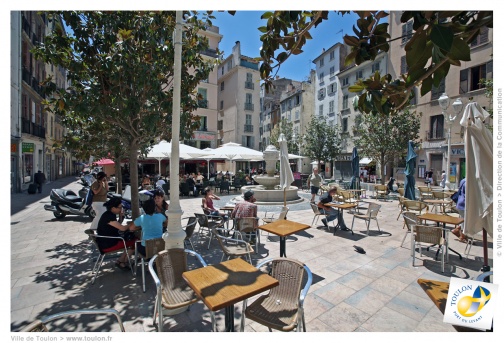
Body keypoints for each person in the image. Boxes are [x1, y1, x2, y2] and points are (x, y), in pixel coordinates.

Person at [96, 197, 140, 270]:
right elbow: (122, 228)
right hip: (108, 244)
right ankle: (123, 261)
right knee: (136, 241)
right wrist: (133, 224)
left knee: (132, 240)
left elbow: (117, 225)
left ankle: (121, 261)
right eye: (120, 207)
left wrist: (120, 217)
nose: (121, 209)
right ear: (113, 208)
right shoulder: (108, 217)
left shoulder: (108, 214)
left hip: (107, 241)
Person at [451, 178, 468, 242]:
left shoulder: (463, 180)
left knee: (463, 220)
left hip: (460, 202)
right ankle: (462, 236)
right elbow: (467, 194)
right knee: (464, 221)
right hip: (464, 203)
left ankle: (457, 230)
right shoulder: (468, 182)